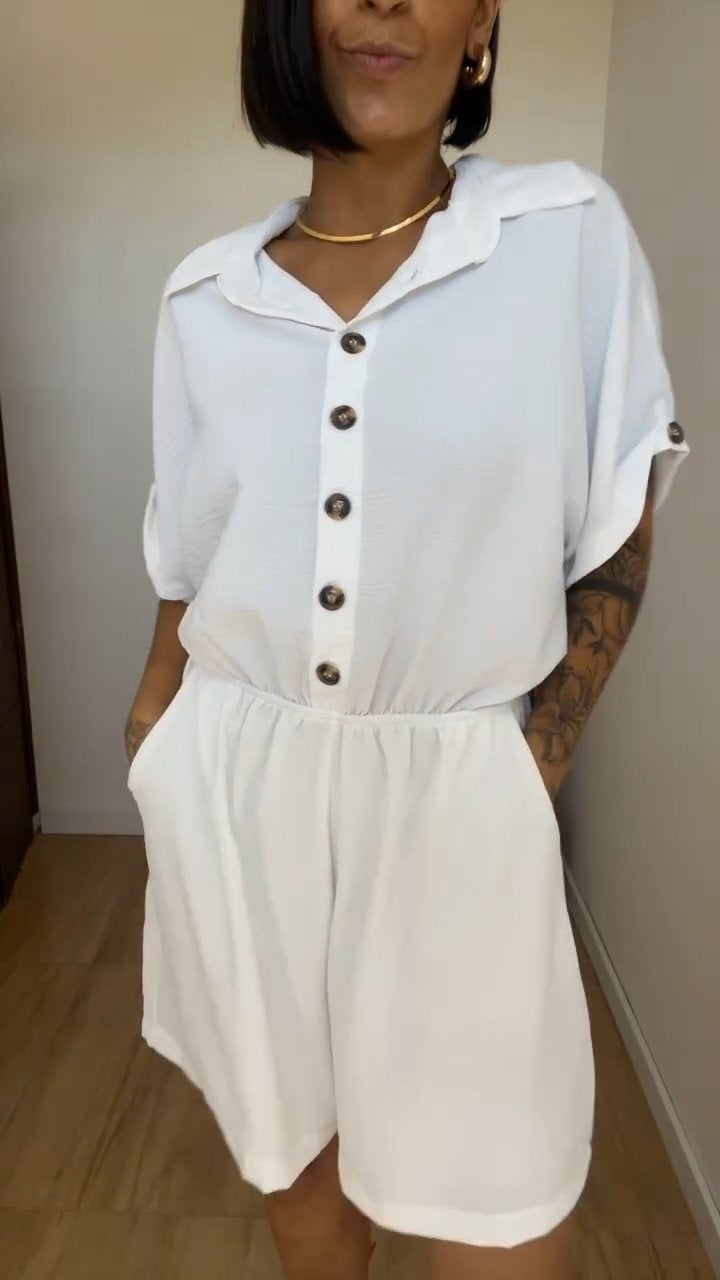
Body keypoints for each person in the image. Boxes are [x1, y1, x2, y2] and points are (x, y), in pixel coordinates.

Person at [124, 2, 689, 1277]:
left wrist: (528, 765)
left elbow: (620, 518)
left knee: (498, 1206)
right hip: (238, 785)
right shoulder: (205, 296)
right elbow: (187, 550)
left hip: (461, 800)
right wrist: (152, 729)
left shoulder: (563, 235)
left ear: (480, 21)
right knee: (305, 1181)